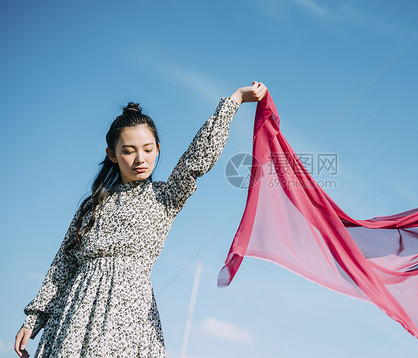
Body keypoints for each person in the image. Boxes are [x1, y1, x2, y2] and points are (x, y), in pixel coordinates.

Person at [14, 82, 268, 357]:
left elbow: (196, 159)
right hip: (73, 318)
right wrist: (34, 318)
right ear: (112, 154)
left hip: (130, 320)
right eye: (128, 150)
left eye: (148, 149)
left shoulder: (165, 196)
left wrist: (234, 101)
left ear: (158, 148)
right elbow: (62, 265)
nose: (139, 159)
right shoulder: (92, 206)